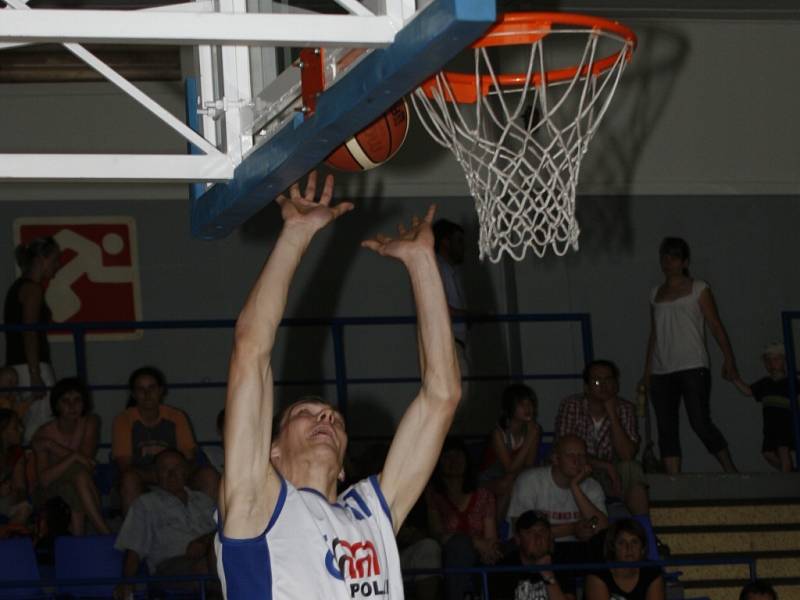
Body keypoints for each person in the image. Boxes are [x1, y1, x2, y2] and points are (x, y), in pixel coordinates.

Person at [215, 173, 461, 599]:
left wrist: (422, 261)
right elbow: (251, 348)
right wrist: (296, 233)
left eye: (333, 418)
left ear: (345, 465)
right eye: (303, 413)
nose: (325, 416)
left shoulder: (371, 511)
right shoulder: (255, 500)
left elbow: (442, 396)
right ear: (270, 450)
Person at [642, 236, 738, 475]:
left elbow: (715, 325)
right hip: (662, 368)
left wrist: (729, 358)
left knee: (700, 422)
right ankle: (674, 479)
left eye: (673, 257)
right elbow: (654, 333)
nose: (668, 262)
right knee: (666, 427)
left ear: (684, 262)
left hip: (692, 364)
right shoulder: (655, 293)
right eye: (664, 257)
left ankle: (730, 469)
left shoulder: (699, 288)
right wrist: (647, 371)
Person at [112, 365, 219, 513]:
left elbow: (189, 457)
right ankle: (135, 533)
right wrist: (164, 477)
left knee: (209, 475)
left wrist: (173, 476)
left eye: (152, 388)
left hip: (179, 476)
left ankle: (207, 529)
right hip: (144, 479)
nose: (147, 393)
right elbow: (125, 465)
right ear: (134, 394)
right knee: (129, 479)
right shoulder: (123, 420)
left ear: (161, 391)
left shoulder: (177, 417)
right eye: (140, 389)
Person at [506, 434, 608, 589]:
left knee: (603, 550)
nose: (577, 461)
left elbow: (603, 529)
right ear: (555, 458)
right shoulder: (530, 480)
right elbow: (520, 531)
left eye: (581, 456)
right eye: (570, 455)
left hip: (573, 550)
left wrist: (575, 487)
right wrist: (573, 528)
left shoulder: (592, 487)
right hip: (535, 550)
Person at [114, 448, 217, 600]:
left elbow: (223, 530)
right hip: (171, 567)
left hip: (210, 557)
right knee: (210, 567)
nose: (171, 474)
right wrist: (126, 582)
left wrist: (204, 541)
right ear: (155, 475)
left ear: (186, 471)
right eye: (164, 470)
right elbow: (134, 550)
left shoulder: (204, 500)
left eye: (177, 468)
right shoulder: (146, 504)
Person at [556, 360, 649, 516]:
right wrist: (605, 466)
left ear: (616, 384)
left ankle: (644, 530)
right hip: (580, 468)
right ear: (586, 387)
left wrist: (612, 414)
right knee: (568, 464)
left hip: (613, 476)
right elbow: (564, 449)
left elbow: (627, 455)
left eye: (609, 380)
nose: (603, 385)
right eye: (597, 381)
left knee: (632, 468)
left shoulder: (625, 409)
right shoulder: (571, 406)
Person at [32, 377, 110, 535]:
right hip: (48, 490)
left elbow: (85, 462)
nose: (72, 406)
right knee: (78, 476)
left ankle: (80, 541)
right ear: (56, 404)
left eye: (77, 400)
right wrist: (74, 457)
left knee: (76, 480)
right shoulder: (44, 433)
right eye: (65, 401)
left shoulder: (90, 422)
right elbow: (44, 480)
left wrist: (54, 447)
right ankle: (104, 533)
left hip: (79, 482)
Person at [4, 236, 61, 444]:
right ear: (41, 259)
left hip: (20, 364)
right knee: (40, 427)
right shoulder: (32, 289)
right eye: (55, 260)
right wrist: (35, 373)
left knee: (25, 426)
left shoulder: (20, 287)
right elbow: (29, 332)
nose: (58, 266)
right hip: (31, 365)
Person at [428, 437, 500, 600]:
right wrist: (472, 541)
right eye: (447, 457)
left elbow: (491, 538)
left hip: (481, 553)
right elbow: (437, 535)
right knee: (460, 544)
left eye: (458, 456)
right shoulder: (433, 496)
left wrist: (486, 548)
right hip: (449, 554)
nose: (454, 461)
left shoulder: (483, 495)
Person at [481, 383, 541, 520]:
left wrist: (531, 436)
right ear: (510, 408)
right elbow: (509, 468)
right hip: (489, 478)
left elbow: (529, 465)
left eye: (530, 403)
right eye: (522, 404)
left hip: (513, 477)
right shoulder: (498, 433)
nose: (528, 408)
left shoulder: (533, 429)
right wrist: (529, 440)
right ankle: (495, 531)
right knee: (508, 483)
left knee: (515, 483)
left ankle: (502, 530)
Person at [733, 343, 797, 472]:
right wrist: (734, 378)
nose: (772, 363)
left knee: (783, 450)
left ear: (784, 361)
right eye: (768, 361)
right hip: (770, 426)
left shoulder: (791, 381)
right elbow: (748, 391)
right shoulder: (765, 383)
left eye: (776, 359)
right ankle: (790, 475)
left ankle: (788, 478)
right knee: (768, 453)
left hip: (785, 424)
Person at [433, 219, 470, 429]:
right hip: (447, 343)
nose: (462, 247)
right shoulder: (438, 267)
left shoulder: (447, 269)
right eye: (458, 241)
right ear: (446, 242)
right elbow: (440, 309)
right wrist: (470, 316)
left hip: (454, 342)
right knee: (455, 402)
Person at [490, 511, 575, 600]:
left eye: (543, 531)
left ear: (550, 536)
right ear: (518, 539)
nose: (538, 537)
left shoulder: (561, 564)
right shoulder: (504, 568)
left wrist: (549, 576)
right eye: (530, 532)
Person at [585, 519, 664, 600]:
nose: (629, 548)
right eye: (622, 543)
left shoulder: (652, 571)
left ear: (642, 548)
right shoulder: (598, 573)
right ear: (612, 547)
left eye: (634, 542)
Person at [0, 408, 32, 525]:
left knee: (24, 509)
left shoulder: (16, 453)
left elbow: (21, 487)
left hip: (6, 501)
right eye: (15, 427)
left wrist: (17, 493)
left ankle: (6, 538)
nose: (21, 429)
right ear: (2, 432)